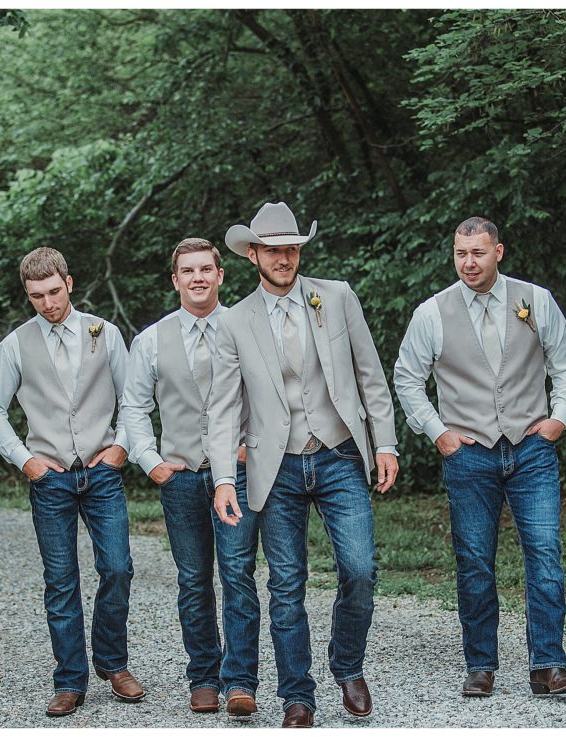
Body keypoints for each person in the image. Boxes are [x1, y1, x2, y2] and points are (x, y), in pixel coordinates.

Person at [208, 202, 399, 728]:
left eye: (291, 248)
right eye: (273, 250)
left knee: (360, 569)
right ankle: (297, 696)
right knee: (286, 584)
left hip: (338, 454)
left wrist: (385, 443)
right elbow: (222, 408)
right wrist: (224, 479)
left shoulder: (335, 297)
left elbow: (370, 374)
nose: (284, 258)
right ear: (253, 255)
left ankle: (348, 664)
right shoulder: (236, 322)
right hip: (276, 466)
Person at [393, 216, 566, 698]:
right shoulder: (432, 313)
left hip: (531, 448)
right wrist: (438, 433)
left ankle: (548, 666)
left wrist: (559, 419)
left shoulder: (535, 300)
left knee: (545, 554)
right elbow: (407, 378)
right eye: (461, 253)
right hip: (469, 454)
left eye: (478, 253)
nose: (469, 263)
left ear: (498, 252)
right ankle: (480, 665)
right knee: (475, 561)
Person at [0, 247, 144, 717]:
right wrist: (25, 460)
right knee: (61, 581)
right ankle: (70, 680)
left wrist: (121, 448)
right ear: (27, 294)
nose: (48, 303)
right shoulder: (15, 344)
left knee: (118, 568)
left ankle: (113, 663)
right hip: (49, 478)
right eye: (37, 296)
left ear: (69, 283)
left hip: (101, 473)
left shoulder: (104, 333)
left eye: (54, 292)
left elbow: (133, 399)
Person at [120, 238, 260, 717]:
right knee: (194, 579)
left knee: (238, 573)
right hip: (179, 477)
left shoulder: (246, 327)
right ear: (175, 280)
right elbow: (134, 407)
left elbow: (271, 396)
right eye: (188, 271)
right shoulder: (150, 340)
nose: (197, 277)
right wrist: (150, 460)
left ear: (220, 275)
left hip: (236, 475)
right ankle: (203, 675)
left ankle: (240, 680)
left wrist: (251, 446)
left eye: (205, 269)